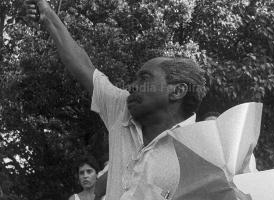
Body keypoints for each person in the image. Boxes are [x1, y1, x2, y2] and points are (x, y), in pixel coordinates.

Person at [24, 1, 252, 199]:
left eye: (145, 78)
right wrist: (47, 13)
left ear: (177, 91)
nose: (132, 86)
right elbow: (84, 68)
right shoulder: (121, 108)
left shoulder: (203, 154)